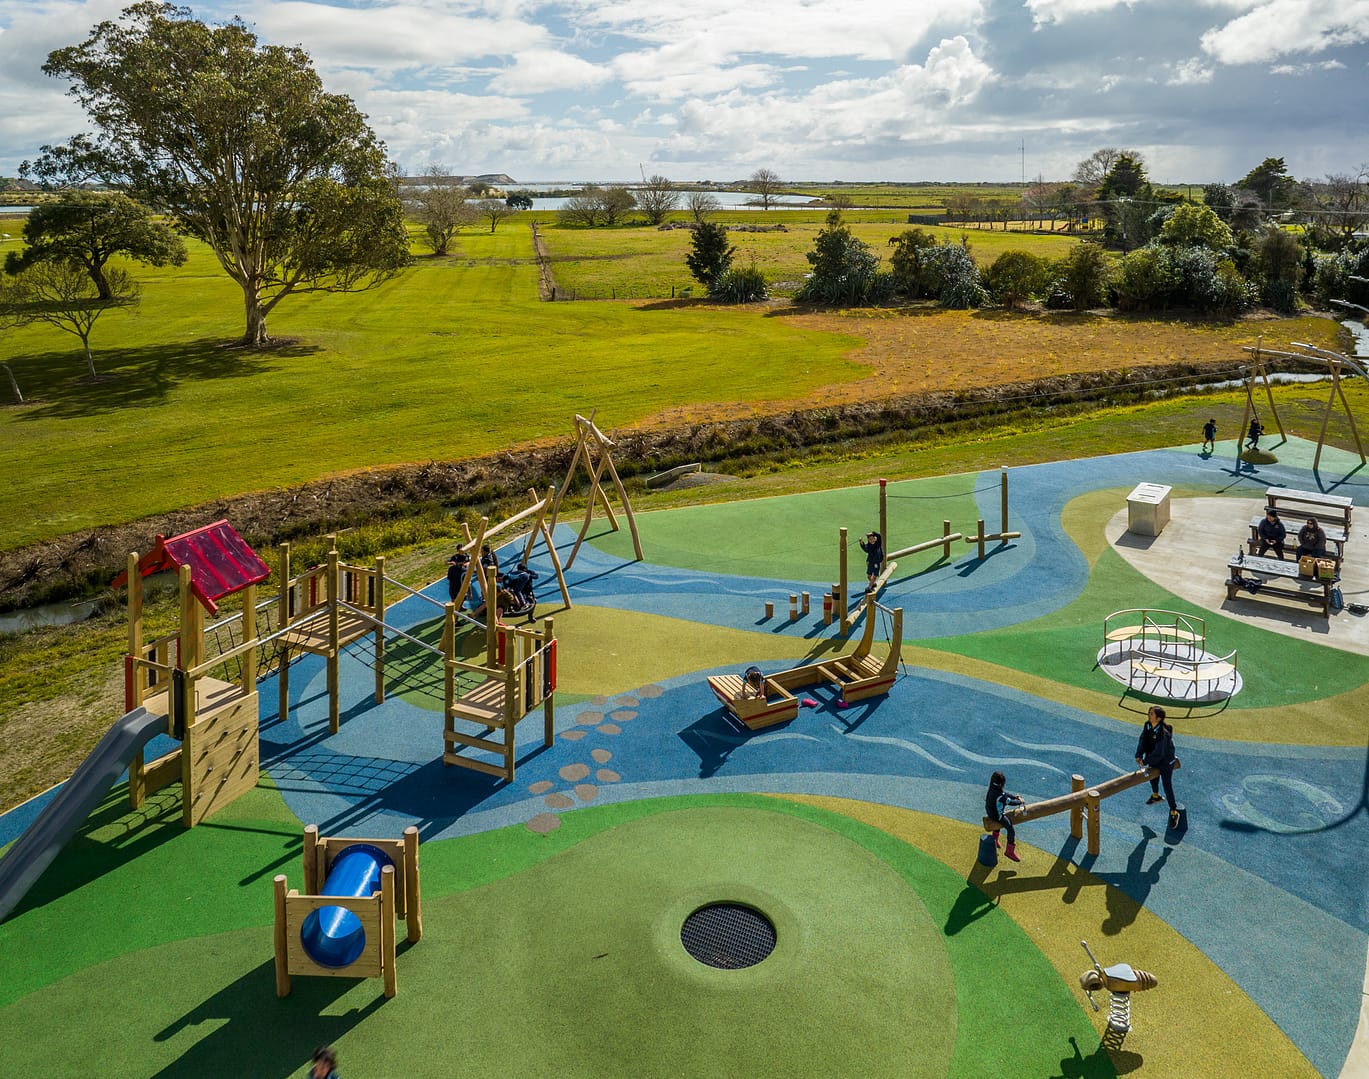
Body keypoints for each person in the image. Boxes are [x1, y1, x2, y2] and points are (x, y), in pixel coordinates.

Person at [1135, 705, 1178, 818]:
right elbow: (1143, 740)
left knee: (1167, 785)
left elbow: (1160, 752)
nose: (1149, 715)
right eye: (1149, 713)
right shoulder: (1148, 725)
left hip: (1166, 761)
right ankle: (1155, 795)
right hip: (1154, 759)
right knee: (1153, 777)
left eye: (1152, 714)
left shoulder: (1163, 733)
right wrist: (1139, 754)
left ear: (1159, 718)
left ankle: (1174, 811)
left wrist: (1145, 761)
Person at [985, 770, 1025, 862]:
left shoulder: (992, 788)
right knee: (1011, 830)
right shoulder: (1000, 795)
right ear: (1001, 783)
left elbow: (1006, 794)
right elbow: (1009, 802)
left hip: (990, 813)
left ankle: (995, 839)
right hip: (997, 816)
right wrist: (1020, 801)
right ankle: (1009, 851)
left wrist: (1015, 796)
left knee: (997, 823)